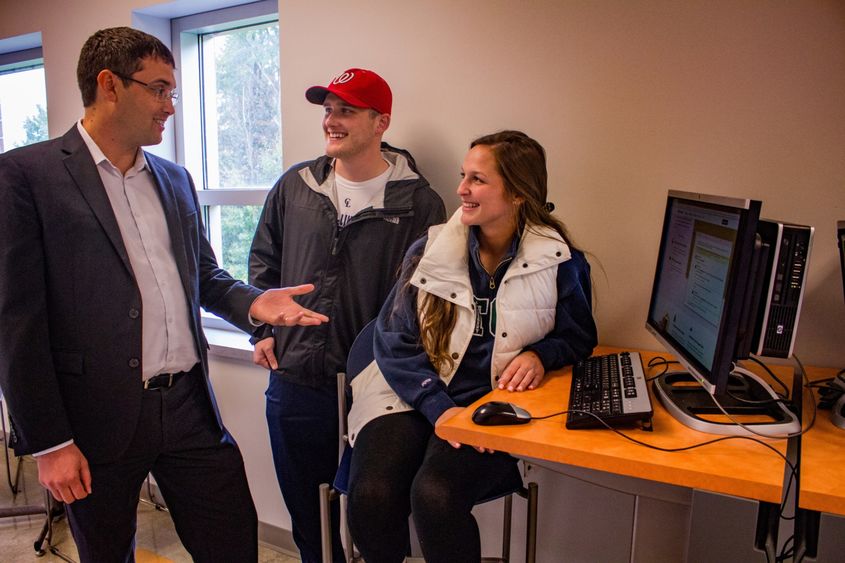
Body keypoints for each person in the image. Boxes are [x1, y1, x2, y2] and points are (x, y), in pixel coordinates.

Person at [0, 27, 329, 563]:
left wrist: (252, 305)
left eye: (173, 92)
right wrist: (50, 443)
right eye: (159, 89)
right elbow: (16, 323)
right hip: (94, 417)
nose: (170, 106)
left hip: (187, 407)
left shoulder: (174, 179)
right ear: (109, 85)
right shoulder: (26, 176)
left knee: (232, 542)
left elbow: (203, 274)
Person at [345, 130, 598, 563]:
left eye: (477, 179)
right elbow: (393, 339)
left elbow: (578, 336)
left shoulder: (559, 260)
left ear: (518, 193)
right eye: (464, 175)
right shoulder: (431, 248)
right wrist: (438, 408)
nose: (461, 188)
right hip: (409, 393)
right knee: (372, 495)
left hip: (490, 403)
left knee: (436, 494)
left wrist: (541, 355)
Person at [248, 68, 446, 562]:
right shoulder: (295, 186)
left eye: (346, 111)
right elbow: (262, 263)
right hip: (295, 379)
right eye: (328, 109)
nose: (331, 121)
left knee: (376, 507)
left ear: (381, 122)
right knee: (307, 512)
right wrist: (261, 329)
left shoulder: (421, 204)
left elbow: (430, 302)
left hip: (378, 388)